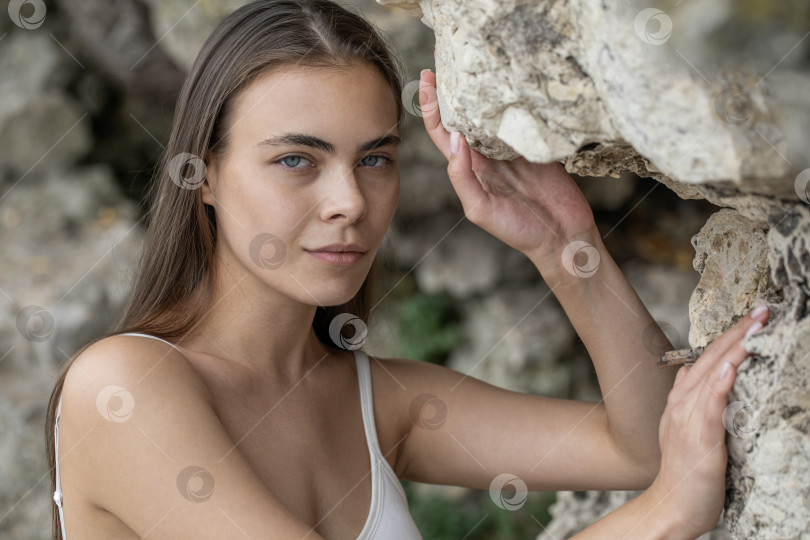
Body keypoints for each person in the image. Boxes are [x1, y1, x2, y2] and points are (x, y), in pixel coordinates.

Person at [45, 0, 771, 538]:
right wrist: (660, 520)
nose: (349, 202)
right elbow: (664, 485)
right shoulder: (121, 390)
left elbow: (644, 448)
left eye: (375, 159)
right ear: (202, 173)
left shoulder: (381, 402)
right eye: (296, 160)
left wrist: (565, 247)